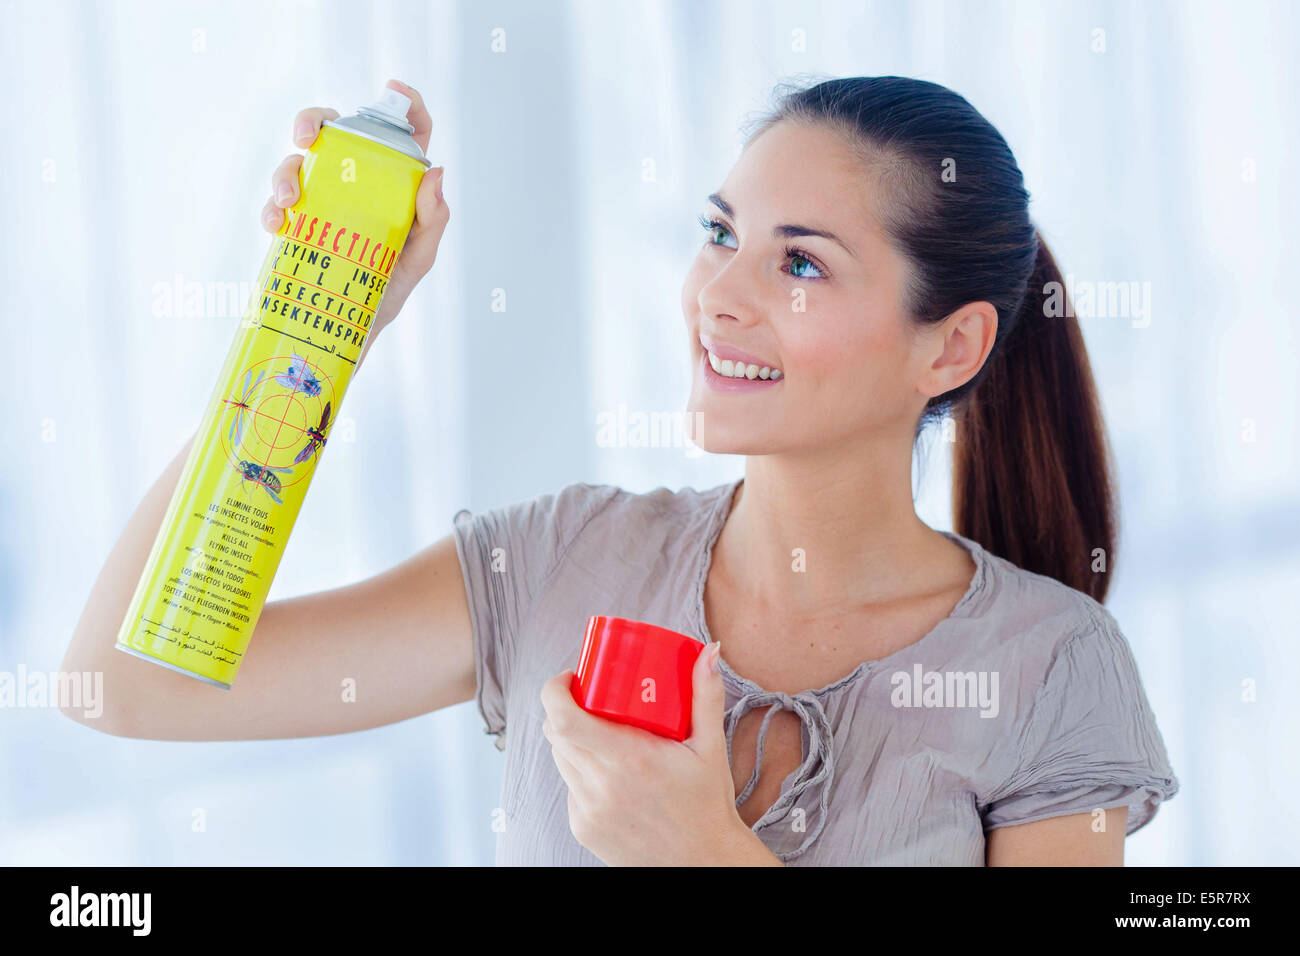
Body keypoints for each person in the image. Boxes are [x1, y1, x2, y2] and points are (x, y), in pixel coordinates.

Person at [61, 75, 1179, 866]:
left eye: (797, 260)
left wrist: (700, 852)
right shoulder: (562, 556)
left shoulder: (1052, 667)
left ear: (952, 346)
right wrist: (314, 332)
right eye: (718, 230)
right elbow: (124, 682)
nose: (717, 293)